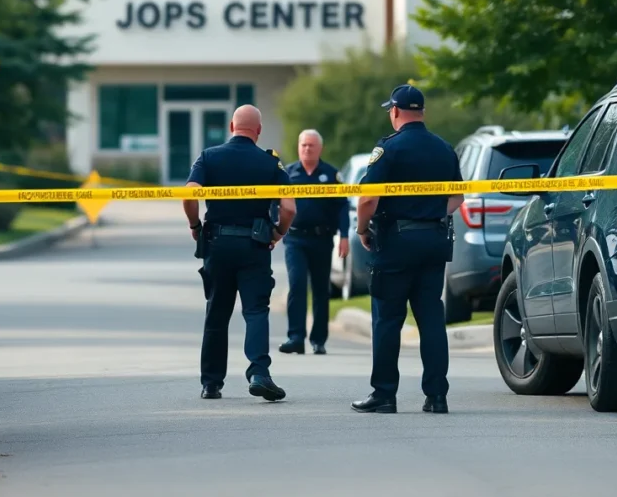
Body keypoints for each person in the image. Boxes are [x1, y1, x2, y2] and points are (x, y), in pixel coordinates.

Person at [350, 84, 464, 415]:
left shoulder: (389, 149)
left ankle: (384, 394)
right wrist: (429, 214)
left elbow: (369, 198)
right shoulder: (444, 149)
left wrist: (361, 229)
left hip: (396, 243)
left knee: (387, 319)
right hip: (433, 241)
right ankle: (437, 396)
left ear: (396, 111)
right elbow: (457, 198)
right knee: (431, 318)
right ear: (423, 112)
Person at [182, 104, 296, 402]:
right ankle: (259, 372)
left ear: (232, 127)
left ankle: (211, 384)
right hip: (254, 246)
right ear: (257, 132)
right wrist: (278, 232)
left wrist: (195, 225)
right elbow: (289, 207)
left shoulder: (209, 156)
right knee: (256, 311)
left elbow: (190, 193)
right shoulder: (270, 163)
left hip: (217, 245)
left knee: (217, 313)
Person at [279, 129, 350, 356]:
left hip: (322, 238)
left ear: (320, 148)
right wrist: (275, 229)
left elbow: (342, 208)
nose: (307, 149)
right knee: (297, 285)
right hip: (295, 238)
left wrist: (345, 236)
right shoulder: (288, 174)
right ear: (299, 147)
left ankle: (318, 340)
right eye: (303, 145)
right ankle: (296, 337)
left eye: (311, 145)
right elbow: (275, 203)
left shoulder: (331, 175)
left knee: (321, 289)